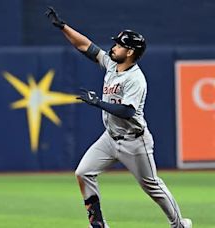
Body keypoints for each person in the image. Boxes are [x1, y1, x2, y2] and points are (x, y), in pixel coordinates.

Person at [45, 7, 192, 228]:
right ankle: (98, 224)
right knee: (83, 172)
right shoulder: (112, 65)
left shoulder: (136, 79)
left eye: (119, 45)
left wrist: (98, 103)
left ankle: (179, 224)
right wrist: (64, 27)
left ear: (130, 51)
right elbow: (86, 46)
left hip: (135, 141)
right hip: (111, 137)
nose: (113, 47)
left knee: (152, 186)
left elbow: (127, 111)